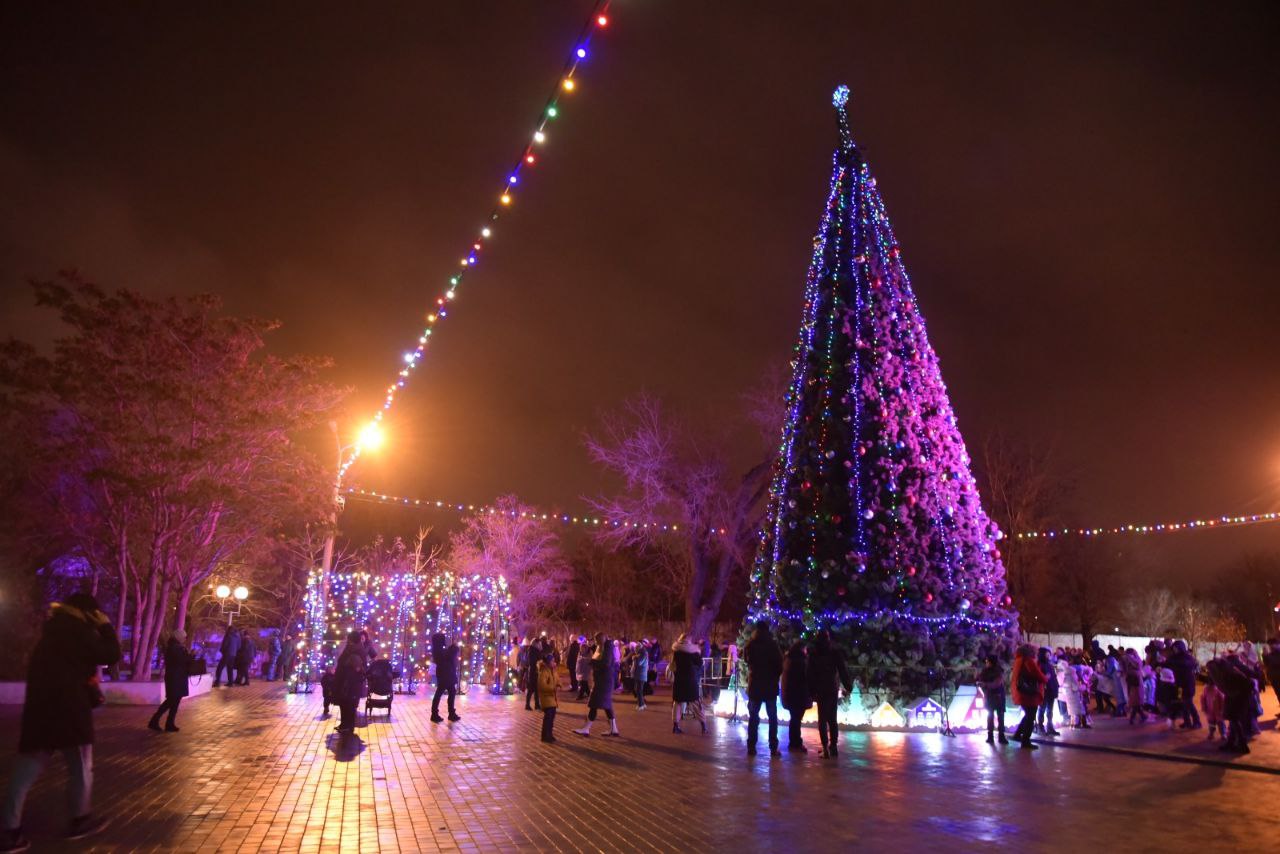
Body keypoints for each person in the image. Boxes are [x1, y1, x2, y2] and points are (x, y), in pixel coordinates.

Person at [1, 593, 121, 850]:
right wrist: (106, 627)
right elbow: (111, 654)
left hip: (39, 715)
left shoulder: (52, 633)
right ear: (90, 614)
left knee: (24, 773)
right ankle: (80, 819)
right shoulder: (78, 633)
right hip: (69, 716)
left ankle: (8, 830)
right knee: (80, 769)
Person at [806, 630, 851, 757]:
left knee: (822, 719)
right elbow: (842, 669)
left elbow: (809, 673)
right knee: (832, 718)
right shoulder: (834, 652)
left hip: (820, 689)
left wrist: (811, 690)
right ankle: (833, 746)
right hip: (832, 687)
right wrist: (848, 685)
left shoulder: (814, 653)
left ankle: (825, 748)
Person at [743, 622, 783, 757]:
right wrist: (774, 677)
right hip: (770, 686)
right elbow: (779, 665)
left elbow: (747, 661)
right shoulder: (772, 645)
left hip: (755, 686)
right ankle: (773, 747)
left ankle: (751, 746)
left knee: (753, 717)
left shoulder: (751, 644)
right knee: (772, 718)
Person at [574, 634, 620, 737]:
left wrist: (592, 662)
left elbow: (606, 663)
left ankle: (586, 728)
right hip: (604, 681)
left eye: (596, 639)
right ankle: (614, 729)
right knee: (606, 705)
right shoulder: (604, 647)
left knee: (593, 703)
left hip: (603, 682)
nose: (595, 642)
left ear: (602, 638)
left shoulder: (607, 648)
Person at [148, 629, 192, 733]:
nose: (185, 639)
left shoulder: (175, 647)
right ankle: (155, 721)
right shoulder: (174, 648)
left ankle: (169, 723)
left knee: (175, 701)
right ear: (179, 637)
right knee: (171, 700)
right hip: (175, 677)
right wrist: (190, 656)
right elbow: (180, 661)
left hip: (177, 676)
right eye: (184, 637)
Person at [1010, 643, 1046, 750]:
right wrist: (1045, 678)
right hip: (1029, 693)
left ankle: (1017, 734)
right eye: (1035, 650)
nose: (1036, 653)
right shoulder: (1028, 660)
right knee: (1031, 716)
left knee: (1028, 715)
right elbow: (1036, 674)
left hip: (1021, 691)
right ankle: (1025, 741)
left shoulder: (1018, 660)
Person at [333, 632, 366, 734]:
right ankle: (345, 724)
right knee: (344, 703)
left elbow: (355, 667)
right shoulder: (353, 648)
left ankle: (348, 725)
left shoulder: (355, 650)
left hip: (349, 682)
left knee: (349, 704)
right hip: (346, 681)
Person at [780, 640, 810, 753]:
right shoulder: (800, 661)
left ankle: (794, 742)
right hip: (798, 694)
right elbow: (804, 677)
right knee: (796, 719)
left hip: (790, 694)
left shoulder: (788, 658)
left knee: (794, 718)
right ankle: (796, 743)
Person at [670, 634, 703, 734]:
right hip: (691, 680)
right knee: (696, 703)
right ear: (689, 640)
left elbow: (672, 666)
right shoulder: (693, 651)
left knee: (677, 703)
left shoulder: (676, 651)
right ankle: (704, 725)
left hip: (679, 680)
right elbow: (700, 663)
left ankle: (675, 726)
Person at [977, 655, 1007, 744]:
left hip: (998, 696)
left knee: (999, 716)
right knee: (991, 716)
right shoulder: (985, 671)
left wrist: (985, 685)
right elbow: (981, 681)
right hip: (991, 696)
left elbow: (996, 683)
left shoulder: (998, 671)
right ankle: (991, 736)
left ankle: (1000, 736)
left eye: (987, 661)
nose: (986, 663)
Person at [430, 633, 461, 723]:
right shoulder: (438, 650)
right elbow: (446, 657)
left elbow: (447, 656)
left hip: (446, 673)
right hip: (445, 674)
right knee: (441, 692)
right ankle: (436, 714)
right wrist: (453, 649)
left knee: (450, 692)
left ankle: (449, 713)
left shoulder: (438, 649)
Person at [1035, 648, 1060, 737]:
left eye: (1049, 654)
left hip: (1051, 689)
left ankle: (1050, 727)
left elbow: (1053, 677)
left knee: (1050, 710)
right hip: (1044, 689)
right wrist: (1045, 678)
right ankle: (1040, 727)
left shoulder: (1049, 665)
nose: (1049, 656)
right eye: (1047, 654)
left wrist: (1056, 687)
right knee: (1042, 709)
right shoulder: (1040, 664)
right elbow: (1039, 677)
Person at [537, 652, 559, 743]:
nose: (554, 662)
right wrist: (553, 687)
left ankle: (549, 734)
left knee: (551, 717)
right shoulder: (544, 671)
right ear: (548, 662)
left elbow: (556, 679)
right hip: (546, 697)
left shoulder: (552, 670)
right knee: (548, 718)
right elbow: (542, 685)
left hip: (552, 697)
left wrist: (559, 684)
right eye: (552, 661)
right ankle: (545, 736)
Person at [524, 636, 543, 711]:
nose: (540, 645)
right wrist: (538, 663)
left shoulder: (534, 650)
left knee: (536, 689)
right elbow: (532, 662)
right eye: (539, 643)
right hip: (533, 672)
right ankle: (527, 704)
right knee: (531, 689)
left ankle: (537, 705)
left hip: (535, 671)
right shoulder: (532, 651)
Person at [632, 641, 650, 710]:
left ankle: (640, 705)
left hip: (641, 674)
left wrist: (635, 658)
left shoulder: (643, 653)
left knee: (638, 690)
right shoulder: (642, 653)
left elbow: (639, 663)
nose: (635, 652)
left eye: (635, 650)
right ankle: (642, 704)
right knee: (638, 689)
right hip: (640, 674)